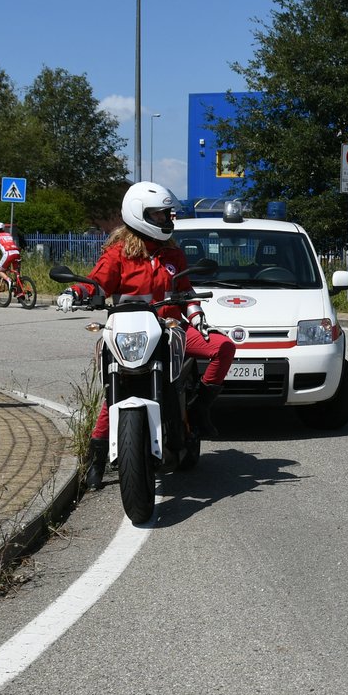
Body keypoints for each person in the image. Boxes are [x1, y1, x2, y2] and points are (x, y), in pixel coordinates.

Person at [82, 181, 236, 490]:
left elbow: (185, 290)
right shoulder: (118, 254)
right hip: (128, 332)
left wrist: (197, 316)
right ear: (139, 215)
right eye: (161, 215)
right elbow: (96, 283)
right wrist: (76, 292)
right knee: (114, 388)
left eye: (168, 216)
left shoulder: (173, 254)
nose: (168, 221)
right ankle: (96, 461)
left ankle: (199, 409)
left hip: (170, 330)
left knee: (223, 347)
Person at [0, 221, 20, 290]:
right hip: (17, 253)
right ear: (3, 228)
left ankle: (9, 281)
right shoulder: (8, 235)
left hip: (8, 254)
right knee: (16, 273)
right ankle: (19, 291)